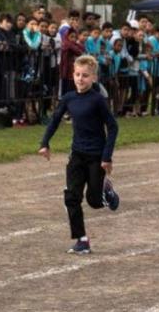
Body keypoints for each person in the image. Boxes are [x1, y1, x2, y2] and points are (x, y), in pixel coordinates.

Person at [38, 55, 120, 254]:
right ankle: (82, 240)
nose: (80, 79)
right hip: (77, 155)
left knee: (94, 201)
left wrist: (106, 156)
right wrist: (45, 143)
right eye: (77, 74)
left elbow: (113, 127)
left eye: (85, 76)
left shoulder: (98, 100)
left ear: (93, 78)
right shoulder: (69, 98)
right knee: (71, 197)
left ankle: (105, 189)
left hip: (96, 156)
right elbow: (55, 120)